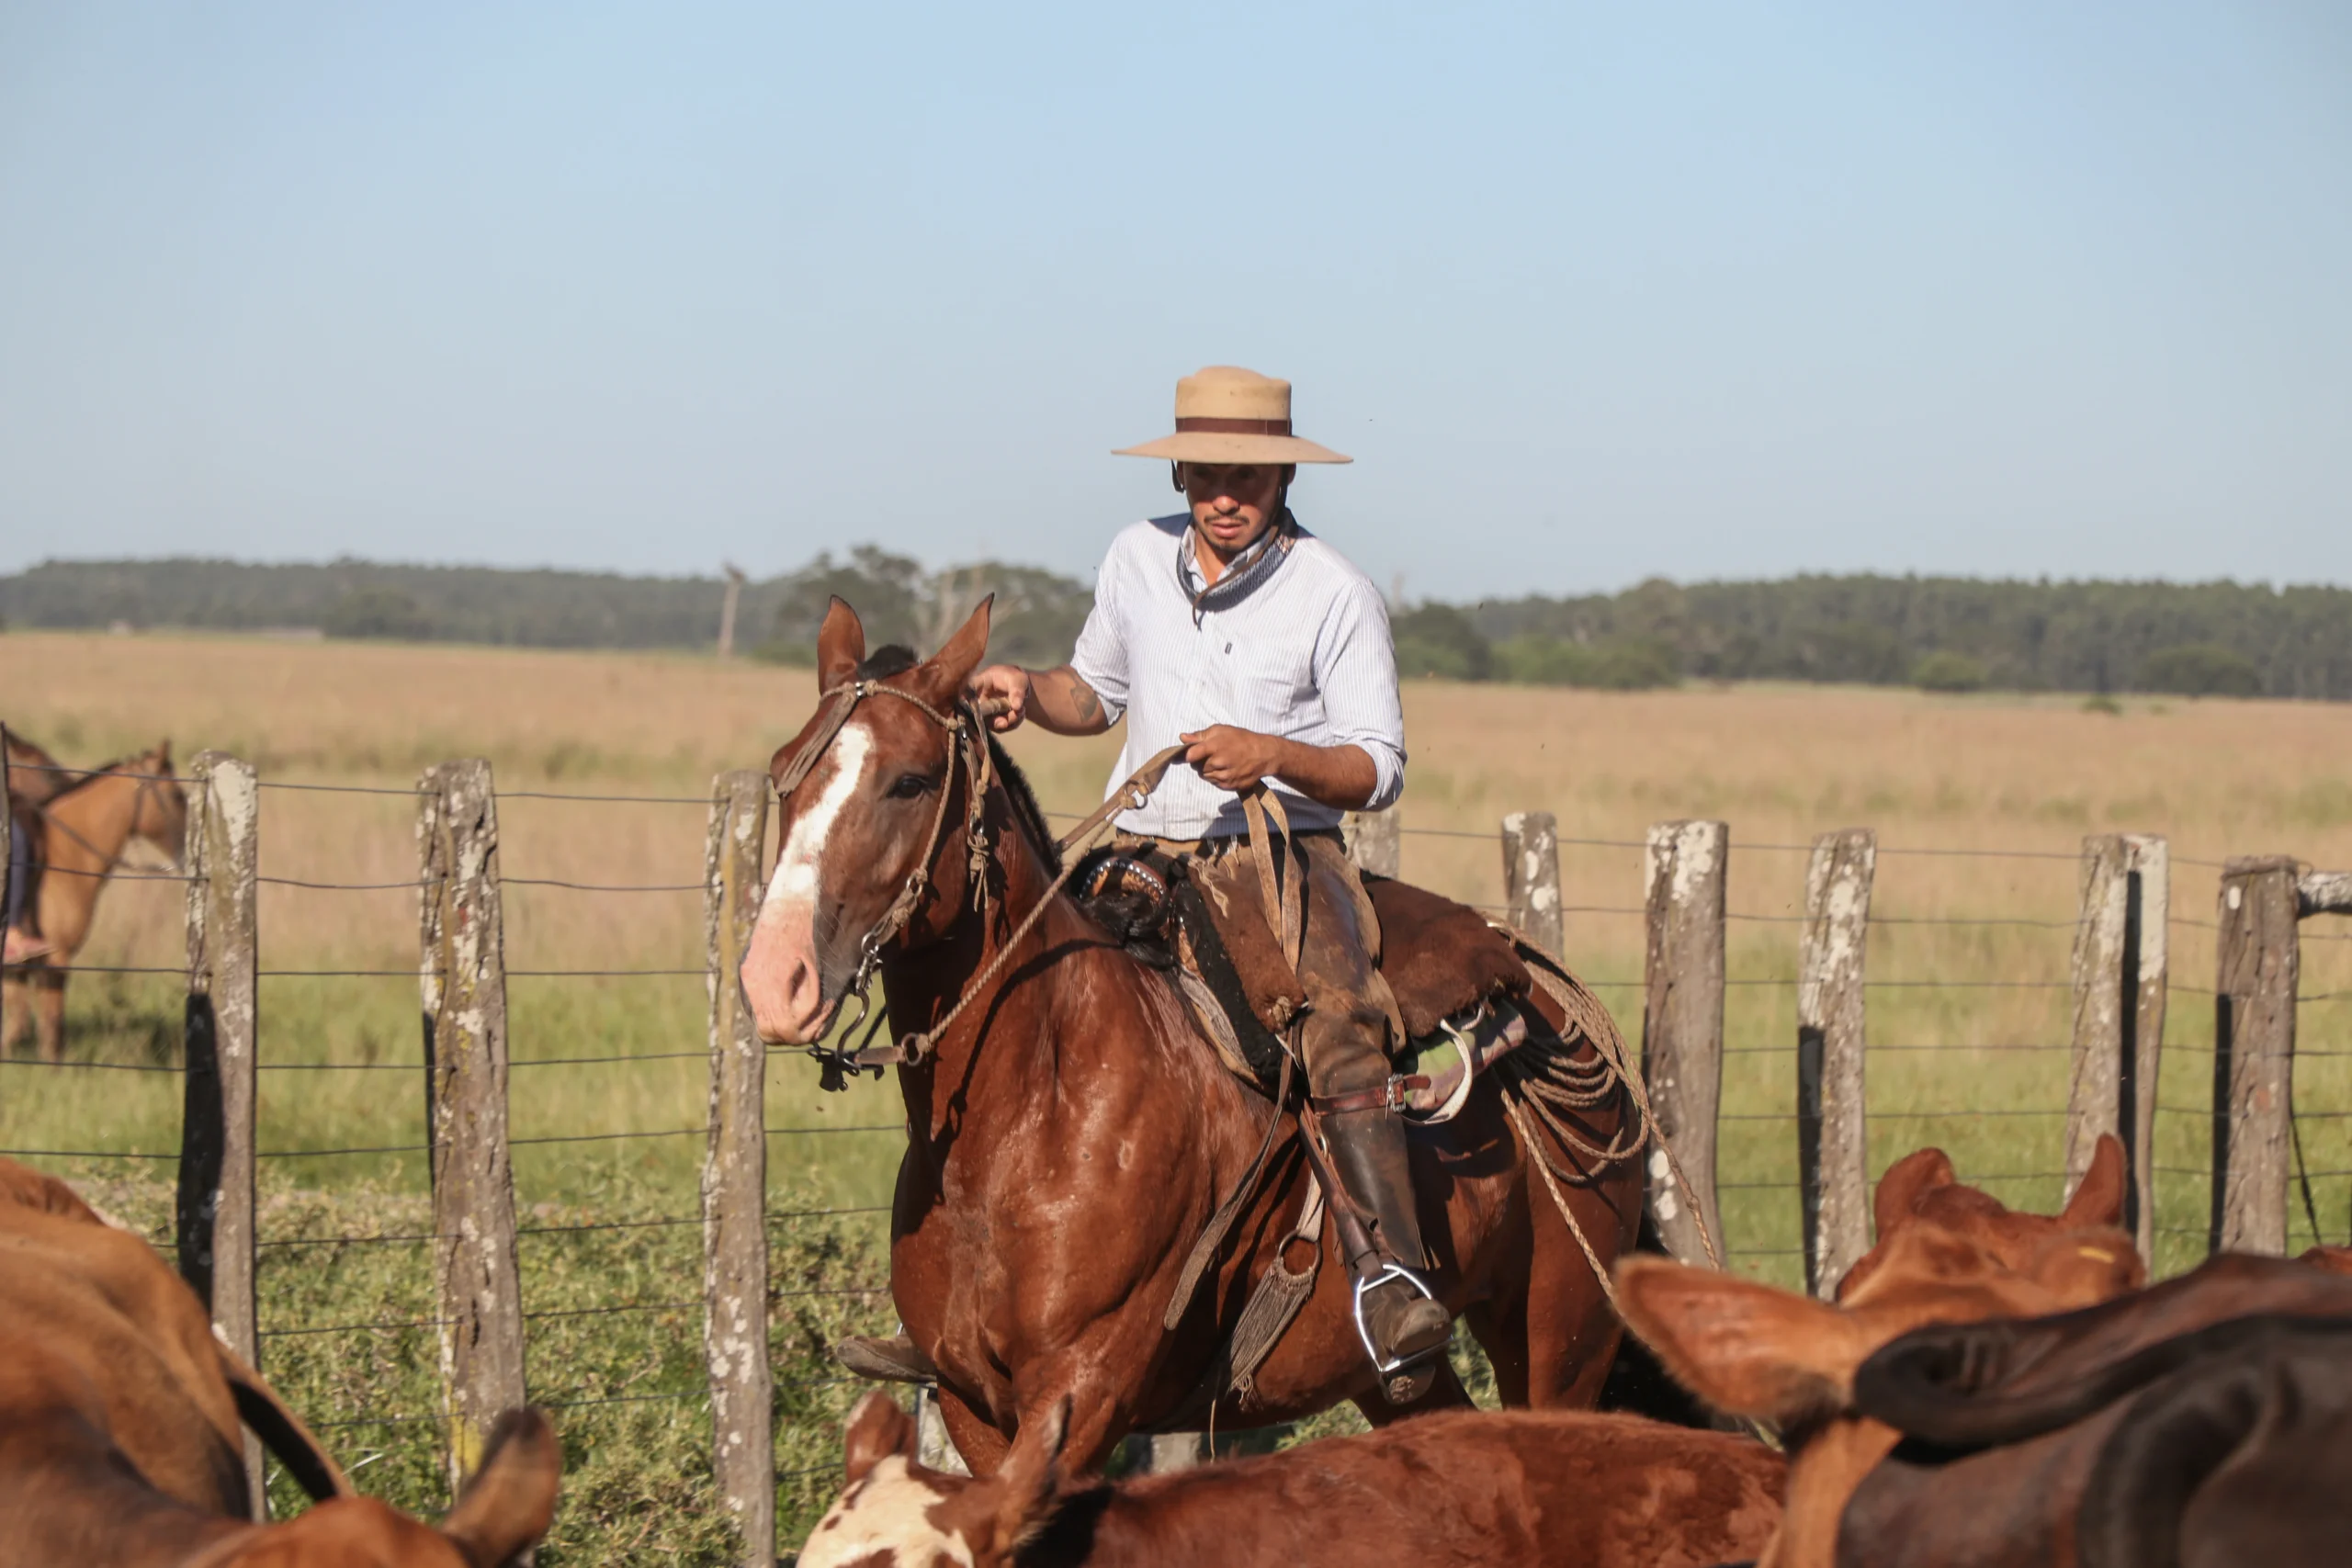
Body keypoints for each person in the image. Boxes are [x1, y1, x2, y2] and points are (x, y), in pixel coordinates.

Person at [967, 365, 1451, 1392]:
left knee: (1337, 1029)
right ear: (1181, 468)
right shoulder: (1134, 556)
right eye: (1208, 475)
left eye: (1252, 477)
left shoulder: (1337, 593)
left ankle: (1390, 1281)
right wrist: (1023, 687)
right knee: (1016, 998)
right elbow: (1090, 695)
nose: (1226, 496)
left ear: (1283, 482)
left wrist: (1272, 753)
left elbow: (1378, 767)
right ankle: (987, 1284)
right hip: (1137, 851)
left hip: (1279, 856)